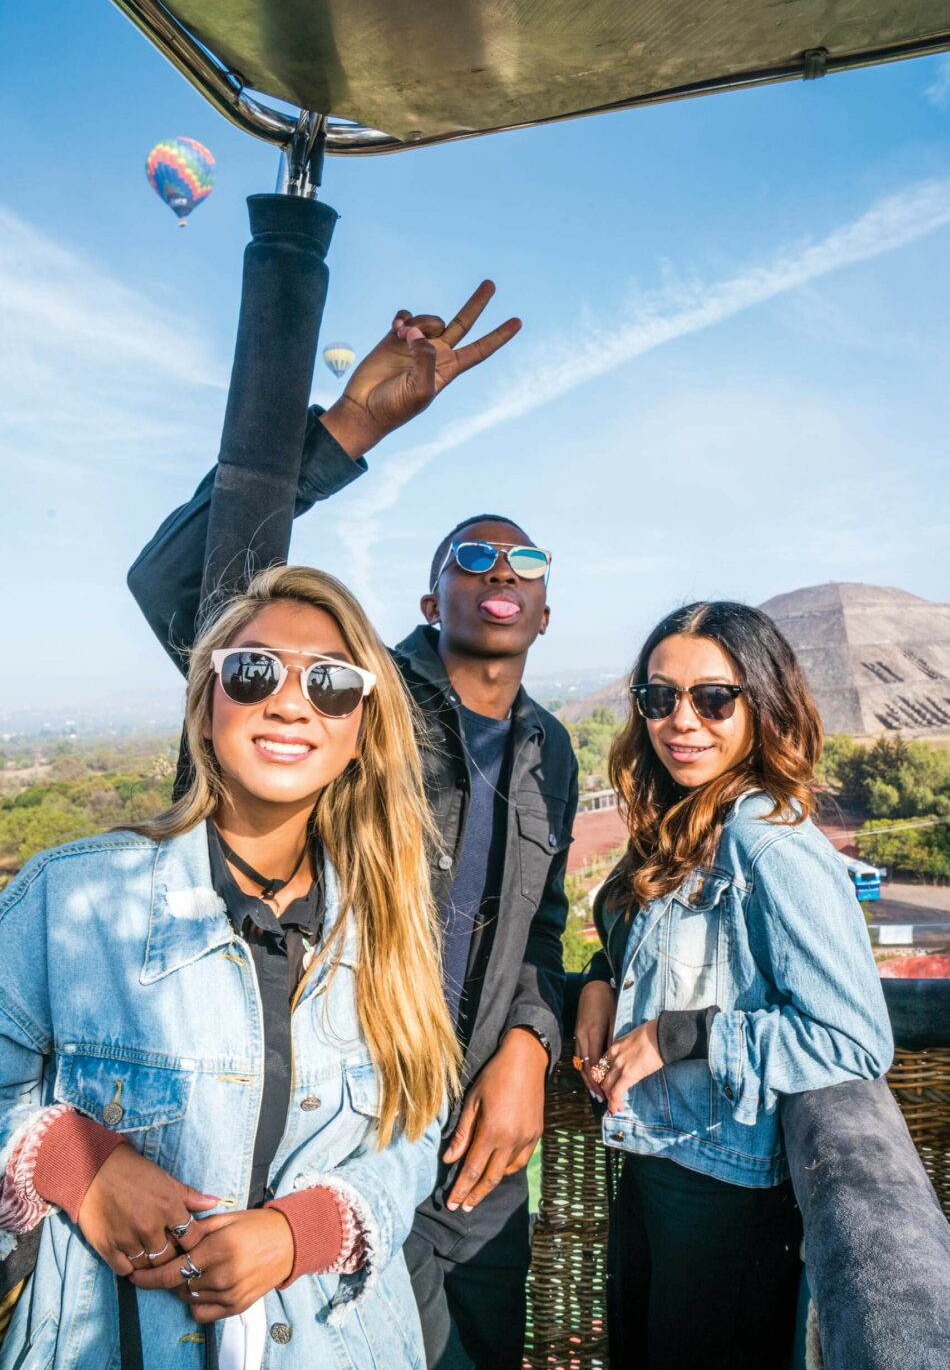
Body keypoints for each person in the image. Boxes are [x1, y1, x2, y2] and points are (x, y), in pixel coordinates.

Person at [128, 283, 579, 1370]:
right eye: (470, 558)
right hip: (336, 1138)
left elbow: (542, 926)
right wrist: (346, 432)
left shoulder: (550, 752)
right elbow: (175, 583)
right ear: (431, 603)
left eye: (524, 562)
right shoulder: (352, 702)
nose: (500, 573)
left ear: (547, 610)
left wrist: (530, 1041)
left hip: (474, 1156)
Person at [0, 565, 459, 1369]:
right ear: (207, 708)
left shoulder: (386, 919)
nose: (289, 701)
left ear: (359, 729)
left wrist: (300, 1233)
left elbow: (414, 1127)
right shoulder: (70, 895)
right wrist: (70, 1161)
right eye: (253, 672)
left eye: (329, 683)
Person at [573, 601, 893, 1370]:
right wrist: (597, 981)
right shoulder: (686, 818)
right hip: (658, 1163)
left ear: (763, 702)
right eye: (660, 697)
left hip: (724, 1198)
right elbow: (643, 949)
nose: (682, 720)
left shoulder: (765, 839)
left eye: (714, 697)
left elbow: (854, 1038)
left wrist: (677, 1033)